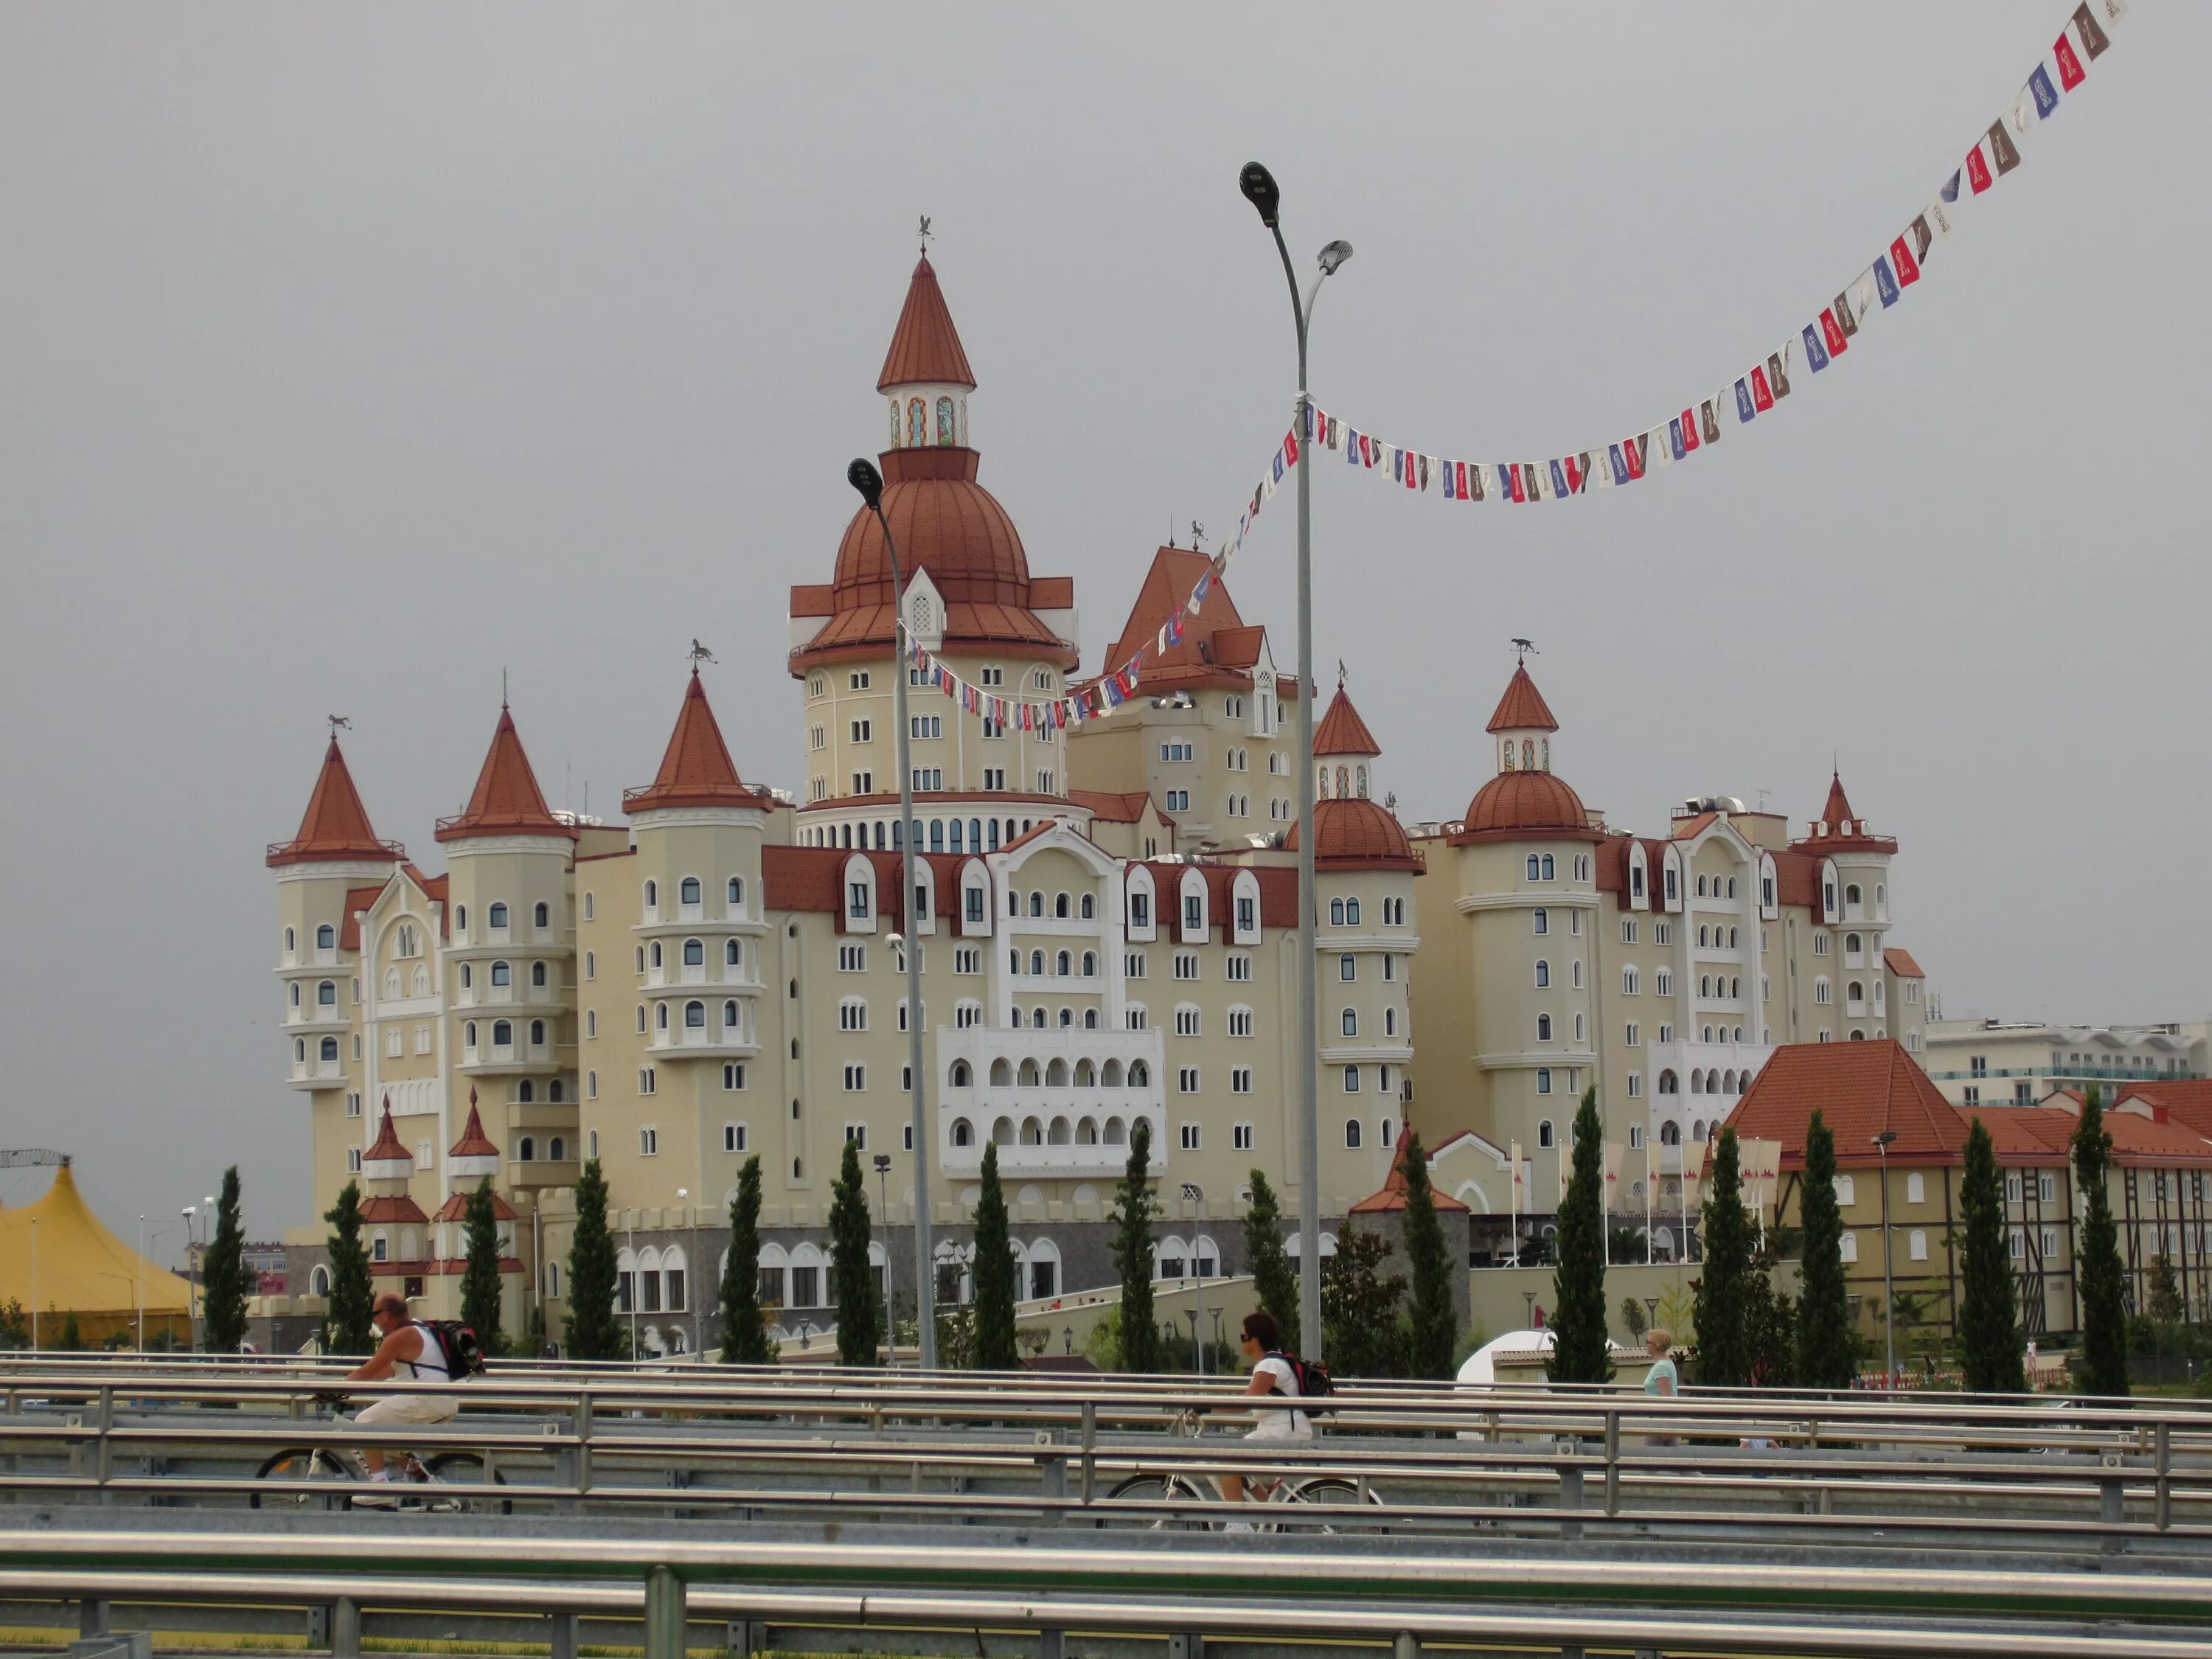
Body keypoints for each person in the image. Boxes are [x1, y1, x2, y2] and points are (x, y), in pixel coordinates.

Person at [343, 1291, 456, 1504]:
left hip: (425, 1399)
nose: (374, 1320)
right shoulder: (420, 1328)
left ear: (385, 1314)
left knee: (363, 1424)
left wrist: (331, 1389)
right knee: (386, 1441)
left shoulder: (399, 1337)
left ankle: (380, 1488)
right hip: (442, 1399)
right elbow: (384, 1371)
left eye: (374, 1314)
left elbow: (367, 1371)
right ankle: (418, 1476)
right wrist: (352, 1387)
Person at [1216, 1310, 1312, 1527]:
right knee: (1240, 1467)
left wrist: (1207, 1406)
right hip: (1284, 1429)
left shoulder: (1268, 1366)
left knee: (1228, 1464)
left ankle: (1237, 1526)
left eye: (1243, 1336)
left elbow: (1246, 1404)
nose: (1241, 1341)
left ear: (1254, 1341)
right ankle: (1270, 1516)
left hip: (1284, 1432)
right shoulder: (1276, 1362)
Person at [1642, 1327, 1678, 1448]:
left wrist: (1665, 1427)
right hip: (1660, 1419)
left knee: (1649, 1458)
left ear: (1657, 1345)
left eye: (1648, 1342)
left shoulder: (1661, 1367)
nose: (1646, 1345)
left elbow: (1666, 1397)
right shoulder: (1665, 1363)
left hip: (1659, 1420)